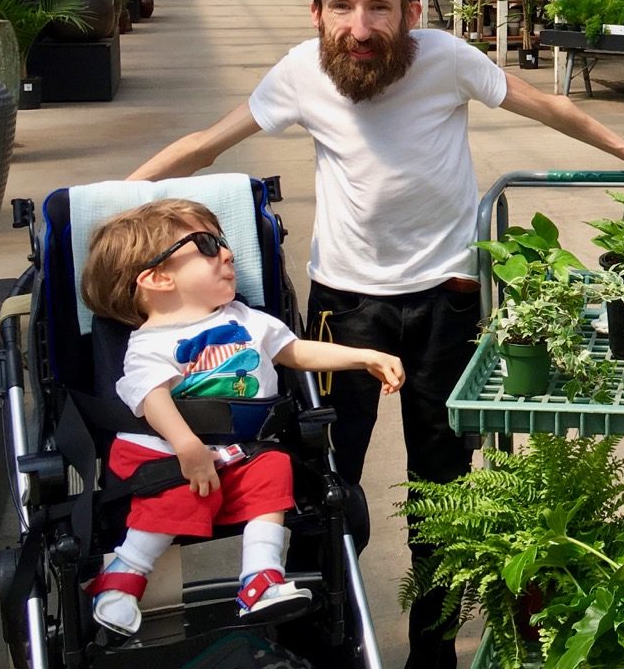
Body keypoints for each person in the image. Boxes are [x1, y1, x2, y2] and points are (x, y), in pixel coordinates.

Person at [126, 0, 624, 668]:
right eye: (342, 6)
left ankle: (430, 653)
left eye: (379, 7)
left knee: (442, 495)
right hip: (345, 312)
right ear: (316, 14)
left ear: (409, 12)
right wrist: (112, 202)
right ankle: (325, 638)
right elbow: (207, 144)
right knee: (321, 482)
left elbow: (549, 107)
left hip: (447, 303)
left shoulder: (445, 59)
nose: (361, 26)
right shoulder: (301, 74)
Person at [79, 198, 405, 637]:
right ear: (158, 278)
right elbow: (151, 399)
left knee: (275, 467)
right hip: (167, 456)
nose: (228, 253)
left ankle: (261, 578)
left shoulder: (246, 318)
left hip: (240, 453)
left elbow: (295, 351)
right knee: (177, 492)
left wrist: (363, 356)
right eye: (208, 245)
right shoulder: (149, 344)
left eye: (224, 243)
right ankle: (122, 576)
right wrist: (186, 445)